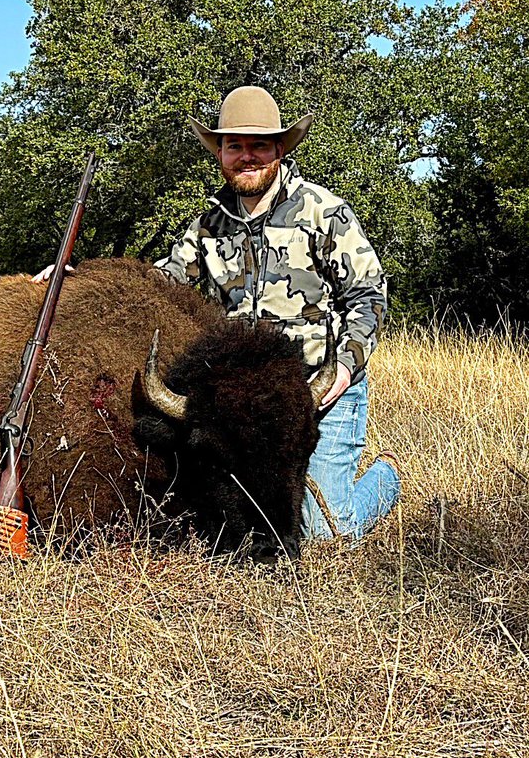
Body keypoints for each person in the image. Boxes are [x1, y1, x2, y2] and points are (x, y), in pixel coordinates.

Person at [154, 85, 400, 539]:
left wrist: (345, 367)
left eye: (258, 145)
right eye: (234, 146)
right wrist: (71, 274)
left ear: (280, 148)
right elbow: (160, 283)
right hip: (242, 406)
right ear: (220, 153)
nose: (246, 156)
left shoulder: (326, 212)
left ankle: (385, 481)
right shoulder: (207, 225)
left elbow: (369, 295)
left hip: (317, 389)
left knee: (324, 528)